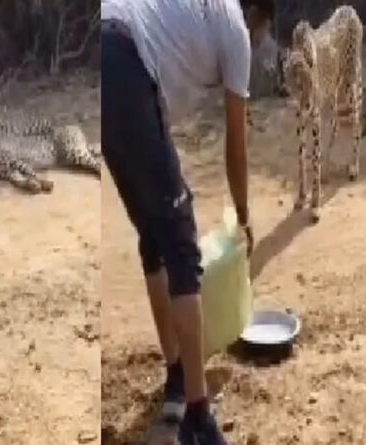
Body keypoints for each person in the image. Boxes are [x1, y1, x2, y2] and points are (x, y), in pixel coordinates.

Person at [101, 0, 274, 443]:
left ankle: (178, 375)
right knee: (180, 242)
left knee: (153, 234)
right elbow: (236, 145)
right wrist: (243, 216)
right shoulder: (236, 31)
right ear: (258, 18)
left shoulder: (199, 11)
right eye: (261, 36)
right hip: (126, 62)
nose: (257, 45)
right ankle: (198, 415)